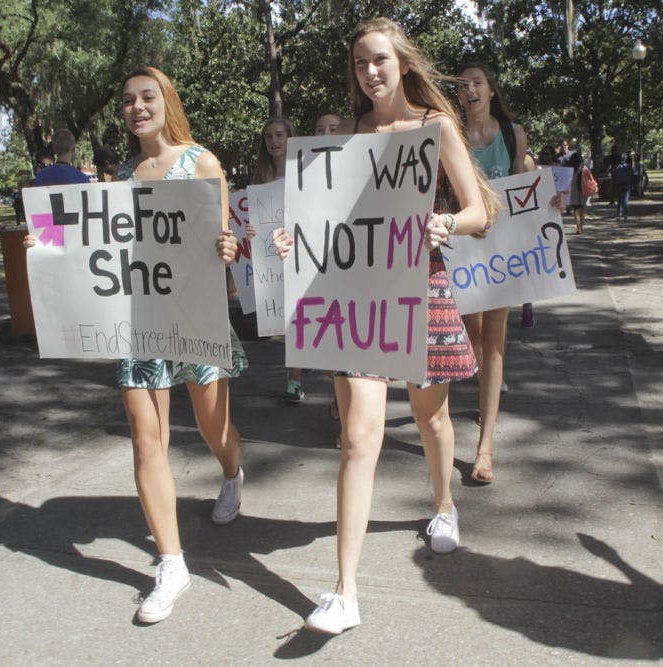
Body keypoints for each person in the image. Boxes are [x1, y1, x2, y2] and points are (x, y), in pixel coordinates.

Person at [273, 17, 499, 635]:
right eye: (359, 64)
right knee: (357, 437)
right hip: (357, 299)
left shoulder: (434, 126)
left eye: (378, 60)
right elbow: (330, 221)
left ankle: (444, 504)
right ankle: (345, 592)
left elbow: (481, 209)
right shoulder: (345, 136)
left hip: (420, 287)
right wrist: (297, 239)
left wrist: (447, 225)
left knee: (430, 417)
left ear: (401, 62)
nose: (369, 72)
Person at [24, 67, 247, 625]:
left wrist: (227, 248)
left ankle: (232, 474)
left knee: (214, 429)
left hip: (194, 316)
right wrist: (42, 242)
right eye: (127, 100)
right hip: (137, 318)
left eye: (147, 97)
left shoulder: (203, 161)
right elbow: (87, 238)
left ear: (166, 101)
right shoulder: (120, 175)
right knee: (147, 442)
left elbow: (222, 237)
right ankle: (171, 564)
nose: (137, 107)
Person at [455, 60, 529, 484]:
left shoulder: (512, 134)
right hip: (464, 248)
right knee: (474, 335)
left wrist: (547, 201)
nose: (469, 91)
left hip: (502, 252)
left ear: (491, 90)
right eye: (463, 86)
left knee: (494, 342)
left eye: (476, 83)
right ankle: (486, 384)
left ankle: (484, 449)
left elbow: (523, 185)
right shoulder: (453, 136)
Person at [252, 116, 306, 403]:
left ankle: (296, 377)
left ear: (290, 137)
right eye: (269, 136)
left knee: (301, 314)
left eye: (279, 135)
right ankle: (300, 373)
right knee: (287, 319)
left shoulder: (304, 170)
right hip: (272, 257)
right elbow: (254, 218)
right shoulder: (261, 176)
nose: (274, 141)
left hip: (302, 251)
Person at [568, 150, 592, 234]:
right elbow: (590, 178)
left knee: (576, 210)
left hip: (574, 192)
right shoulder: (584, 169)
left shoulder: (570, 170)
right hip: (584, 190)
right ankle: (581, 227)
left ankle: (578, 228)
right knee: (582, 210)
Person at [614, 155, 633, 221]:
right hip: (626, 185)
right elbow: (631, 176)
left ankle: (618, 215)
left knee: (619, 200)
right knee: (625, 200)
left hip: (619, 185)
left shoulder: (617, 167)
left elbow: (615, 176)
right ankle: (625, 215)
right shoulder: (628, 167)